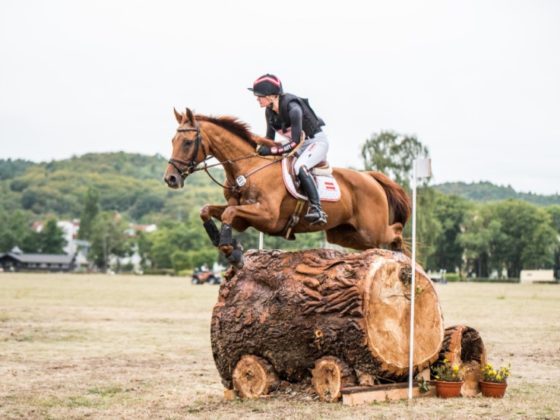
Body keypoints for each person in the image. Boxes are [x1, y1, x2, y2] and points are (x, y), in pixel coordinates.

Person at [249, 74, 328, 225]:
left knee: (299, 167)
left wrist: (271, 151)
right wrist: (255, 150)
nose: (257, 99)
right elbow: (269, 140)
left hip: (315, 142)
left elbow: (296, 142)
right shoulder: (269, 111)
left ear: (272, 96)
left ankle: (317, 209)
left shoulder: (293, 108)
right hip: (298, 145)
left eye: (259, 96)